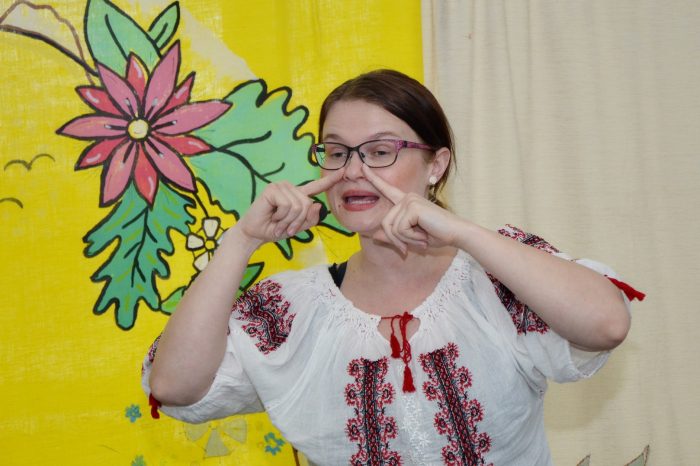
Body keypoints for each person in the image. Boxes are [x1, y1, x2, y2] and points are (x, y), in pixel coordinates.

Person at [142, 69, 643, 465]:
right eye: (336, 152)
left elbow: (606, 324)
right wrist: (243, 239)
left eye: (380, 151)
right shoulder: (292, 309)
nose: (353, 171)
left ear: (436, 165)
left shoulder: (497, 275)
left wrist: (463, 233)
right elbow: (173, 386)